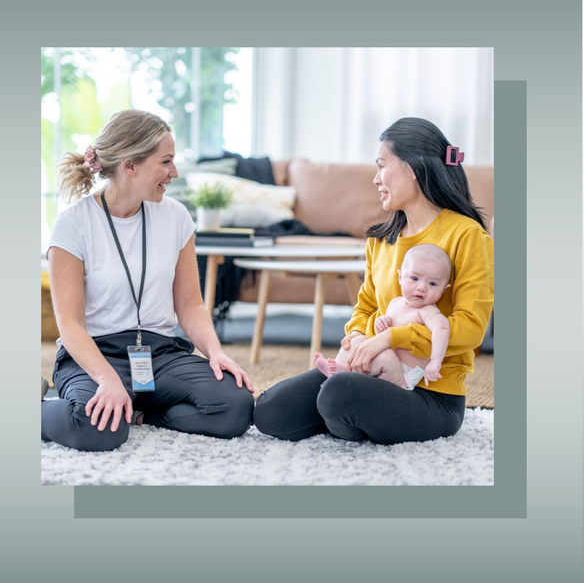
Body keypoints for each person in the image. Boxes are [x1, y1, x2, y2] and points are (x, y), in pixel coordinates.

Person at [253, 117, 494, 445]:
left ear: (413, 168)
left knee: (337, 395)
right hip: (368, 372)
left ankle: (346, 411)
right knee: (270, 411)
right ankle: (351, 413)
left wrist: (391, 338)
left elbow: (471, 329)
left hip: (432, 396)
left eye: (382, 166)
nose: (376, 179)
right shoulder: (381, 240)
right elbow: (365, 306)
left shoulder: (468, 236)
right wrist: (355, 339)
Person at [41, 109, 255, 452]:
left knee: (236, 406)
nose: (175, 173)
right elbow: (70, 325)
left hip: (158, 353)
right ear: (130, 166)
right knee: (95, 429)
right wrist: (107, 379)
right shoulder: (73, 225)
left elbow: (191, 305)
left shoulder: (175, 217)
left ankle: (139, 415)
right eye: (166, 162)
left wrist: (215, 352)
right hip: (96, 354)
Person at [314, 244, 452, 390]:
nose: (422, 287)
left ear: (443, 289)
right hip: (385, 362)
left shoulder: (427, 311)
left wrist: (435, 361)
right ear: (400, 277)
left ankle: (344, 373)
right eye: (414, 278)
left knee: (385, 357)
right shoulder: (395, 303)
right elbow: (382, 336)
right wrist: (381, 324)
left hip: (404, 374)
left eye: (432, 283)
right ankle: (338, 370)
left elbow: (442, 329)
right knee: (358, 340)